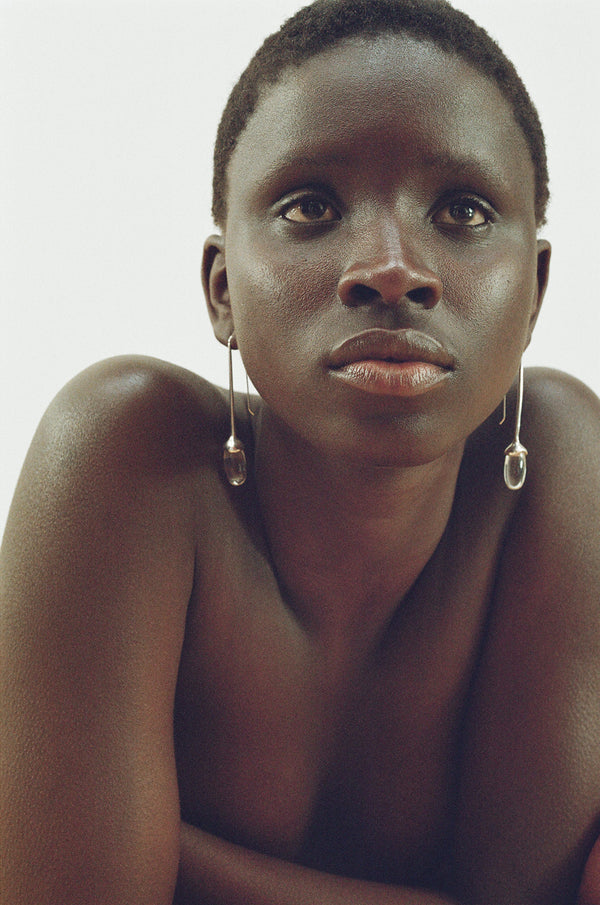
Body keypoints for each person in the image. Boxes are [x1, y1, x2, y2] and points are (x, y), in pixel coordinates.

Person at [1, 0, 599, 902]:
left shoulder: (562, 466)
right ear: (221, 290)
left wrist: (169, 854)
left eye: (463, 211)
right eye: (311, 206)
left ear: (535, 295)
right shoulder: (128, 455)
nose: (393, 266)